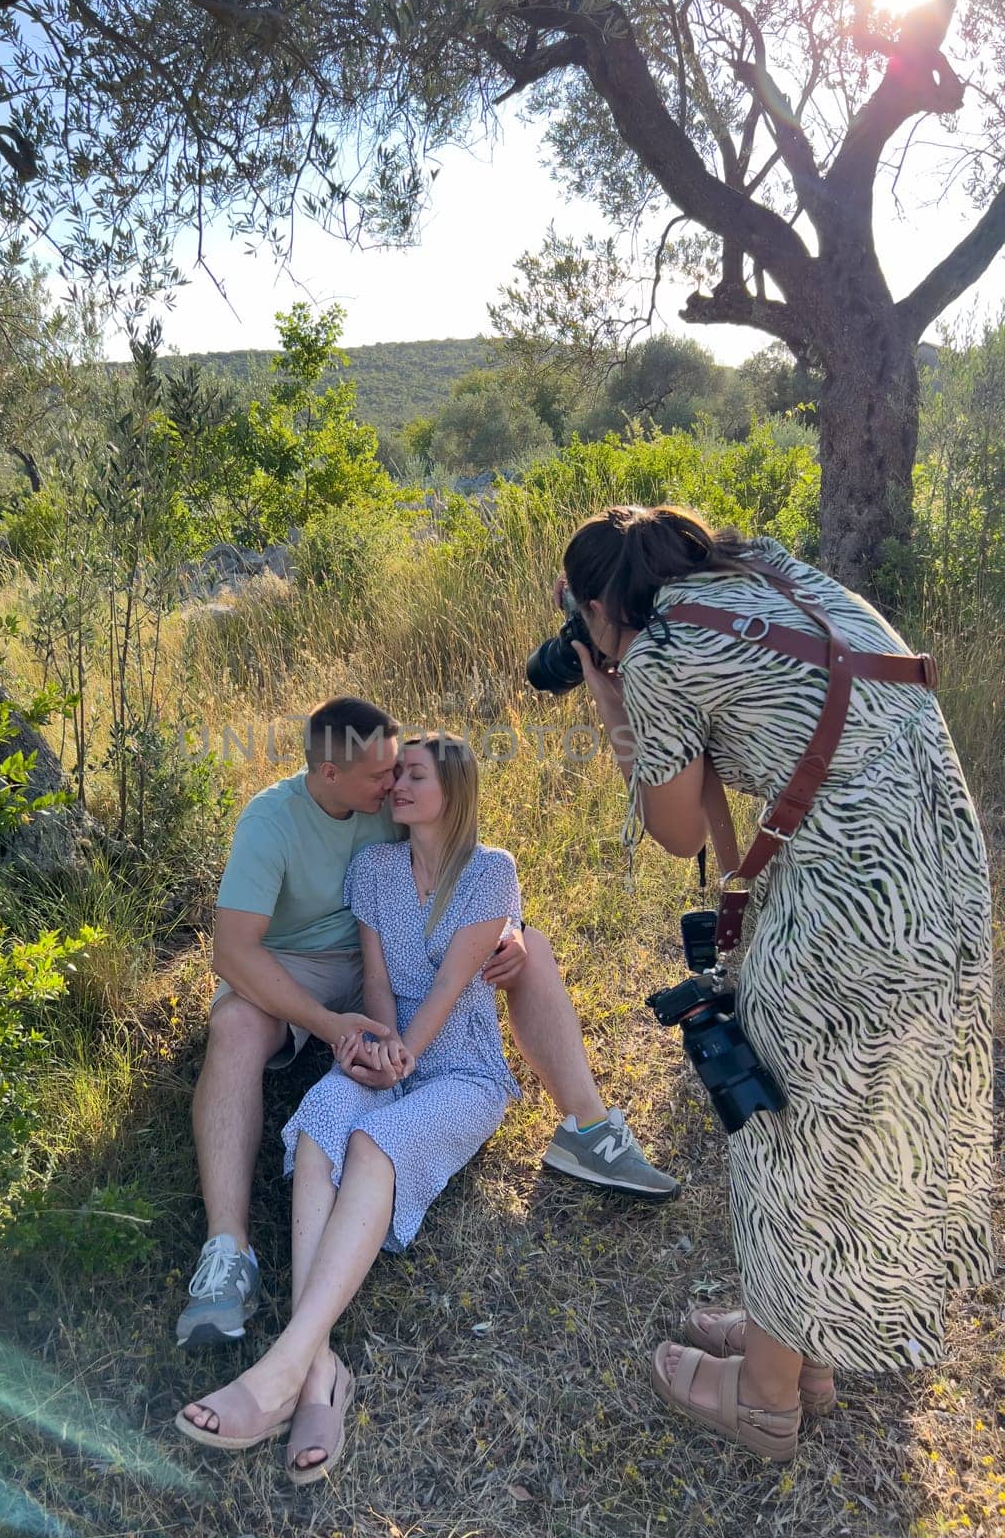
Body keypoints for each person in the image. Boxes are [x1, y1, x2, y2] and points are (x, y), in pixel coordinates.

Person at [557, 505, 994, 1461]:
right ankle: (801, 1344)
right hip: (947, 893)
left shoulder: (664, 651)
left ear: (598, 607)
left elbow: (675, 831)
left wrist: (614, 697)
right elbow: (744, 791)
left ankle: (763, 1399)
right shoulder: (791, 582)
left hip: (850, 910)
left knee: (783, 1141)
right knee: (846, 1131)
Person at [177, 696, 679, 1351]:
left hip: (391, 962)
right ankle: (228, 1251)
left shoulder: (393, 812)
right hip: (300, 968)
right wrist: (333, 1027)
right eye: (381, 775)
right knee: (238, 1026)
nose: (391, 784)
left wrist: (511, 931)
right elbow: (232, 952)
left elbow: (468, 868)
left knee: (536, 945)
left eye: (401, 771)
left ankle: (587, 1127)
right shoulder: (274, 822)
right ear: (332, 776)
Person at [176, 734, 526, 1482]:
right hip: (386, 1049)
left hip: (459, 1068)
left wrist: (404, 1056)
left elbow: (449, 985)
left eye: (414, 776)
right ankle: (319, 1372)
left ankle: (281, 1375)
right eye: (395, 775)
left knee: (375, 1144)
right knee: (321, 1125)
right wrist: (375, 1048)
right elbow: (374, 980)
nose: (397, 785)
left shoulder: (492, 873)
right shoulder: (373, 868)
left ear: (454, 789)